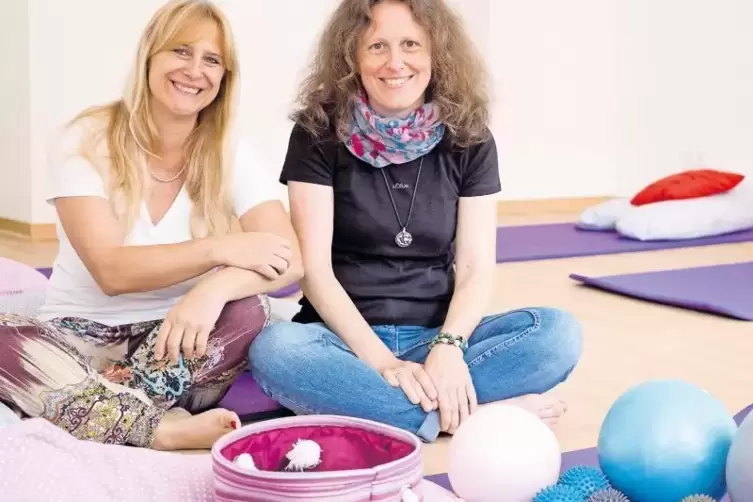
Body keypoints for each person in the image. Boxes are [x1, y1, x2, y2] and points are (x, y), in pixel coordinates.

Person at [249, 0, 583, 442]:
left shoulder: (471, 137)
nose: (395, 62)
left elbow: (475, 268)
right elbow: (315, 274)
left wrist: (449, 348)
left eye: (411, 44)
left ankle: (388, 409)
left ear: (436, 53)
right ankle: (471, 417)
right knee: (276, 351)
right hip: (343, 344)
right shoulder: (316, 134)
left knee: (557, 334)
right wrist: (381, 362)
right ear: (352, 55)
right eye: (377, 47)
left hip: (436, 338)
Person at [0, 0, 302, 450]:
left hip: (178, 346)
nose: (194, 70)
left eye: (212, 60)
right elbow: (113, 272)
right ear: (150, 56)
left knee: (251, 309)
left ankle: (99, 409)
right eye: (181, 51)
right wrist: (220, 249)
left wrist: (211, 290)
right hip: (78, 336)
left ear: (223, 79)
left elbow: (291, 259)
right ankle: (154, 427)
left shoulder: (232, 152)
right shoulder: (84, 138)